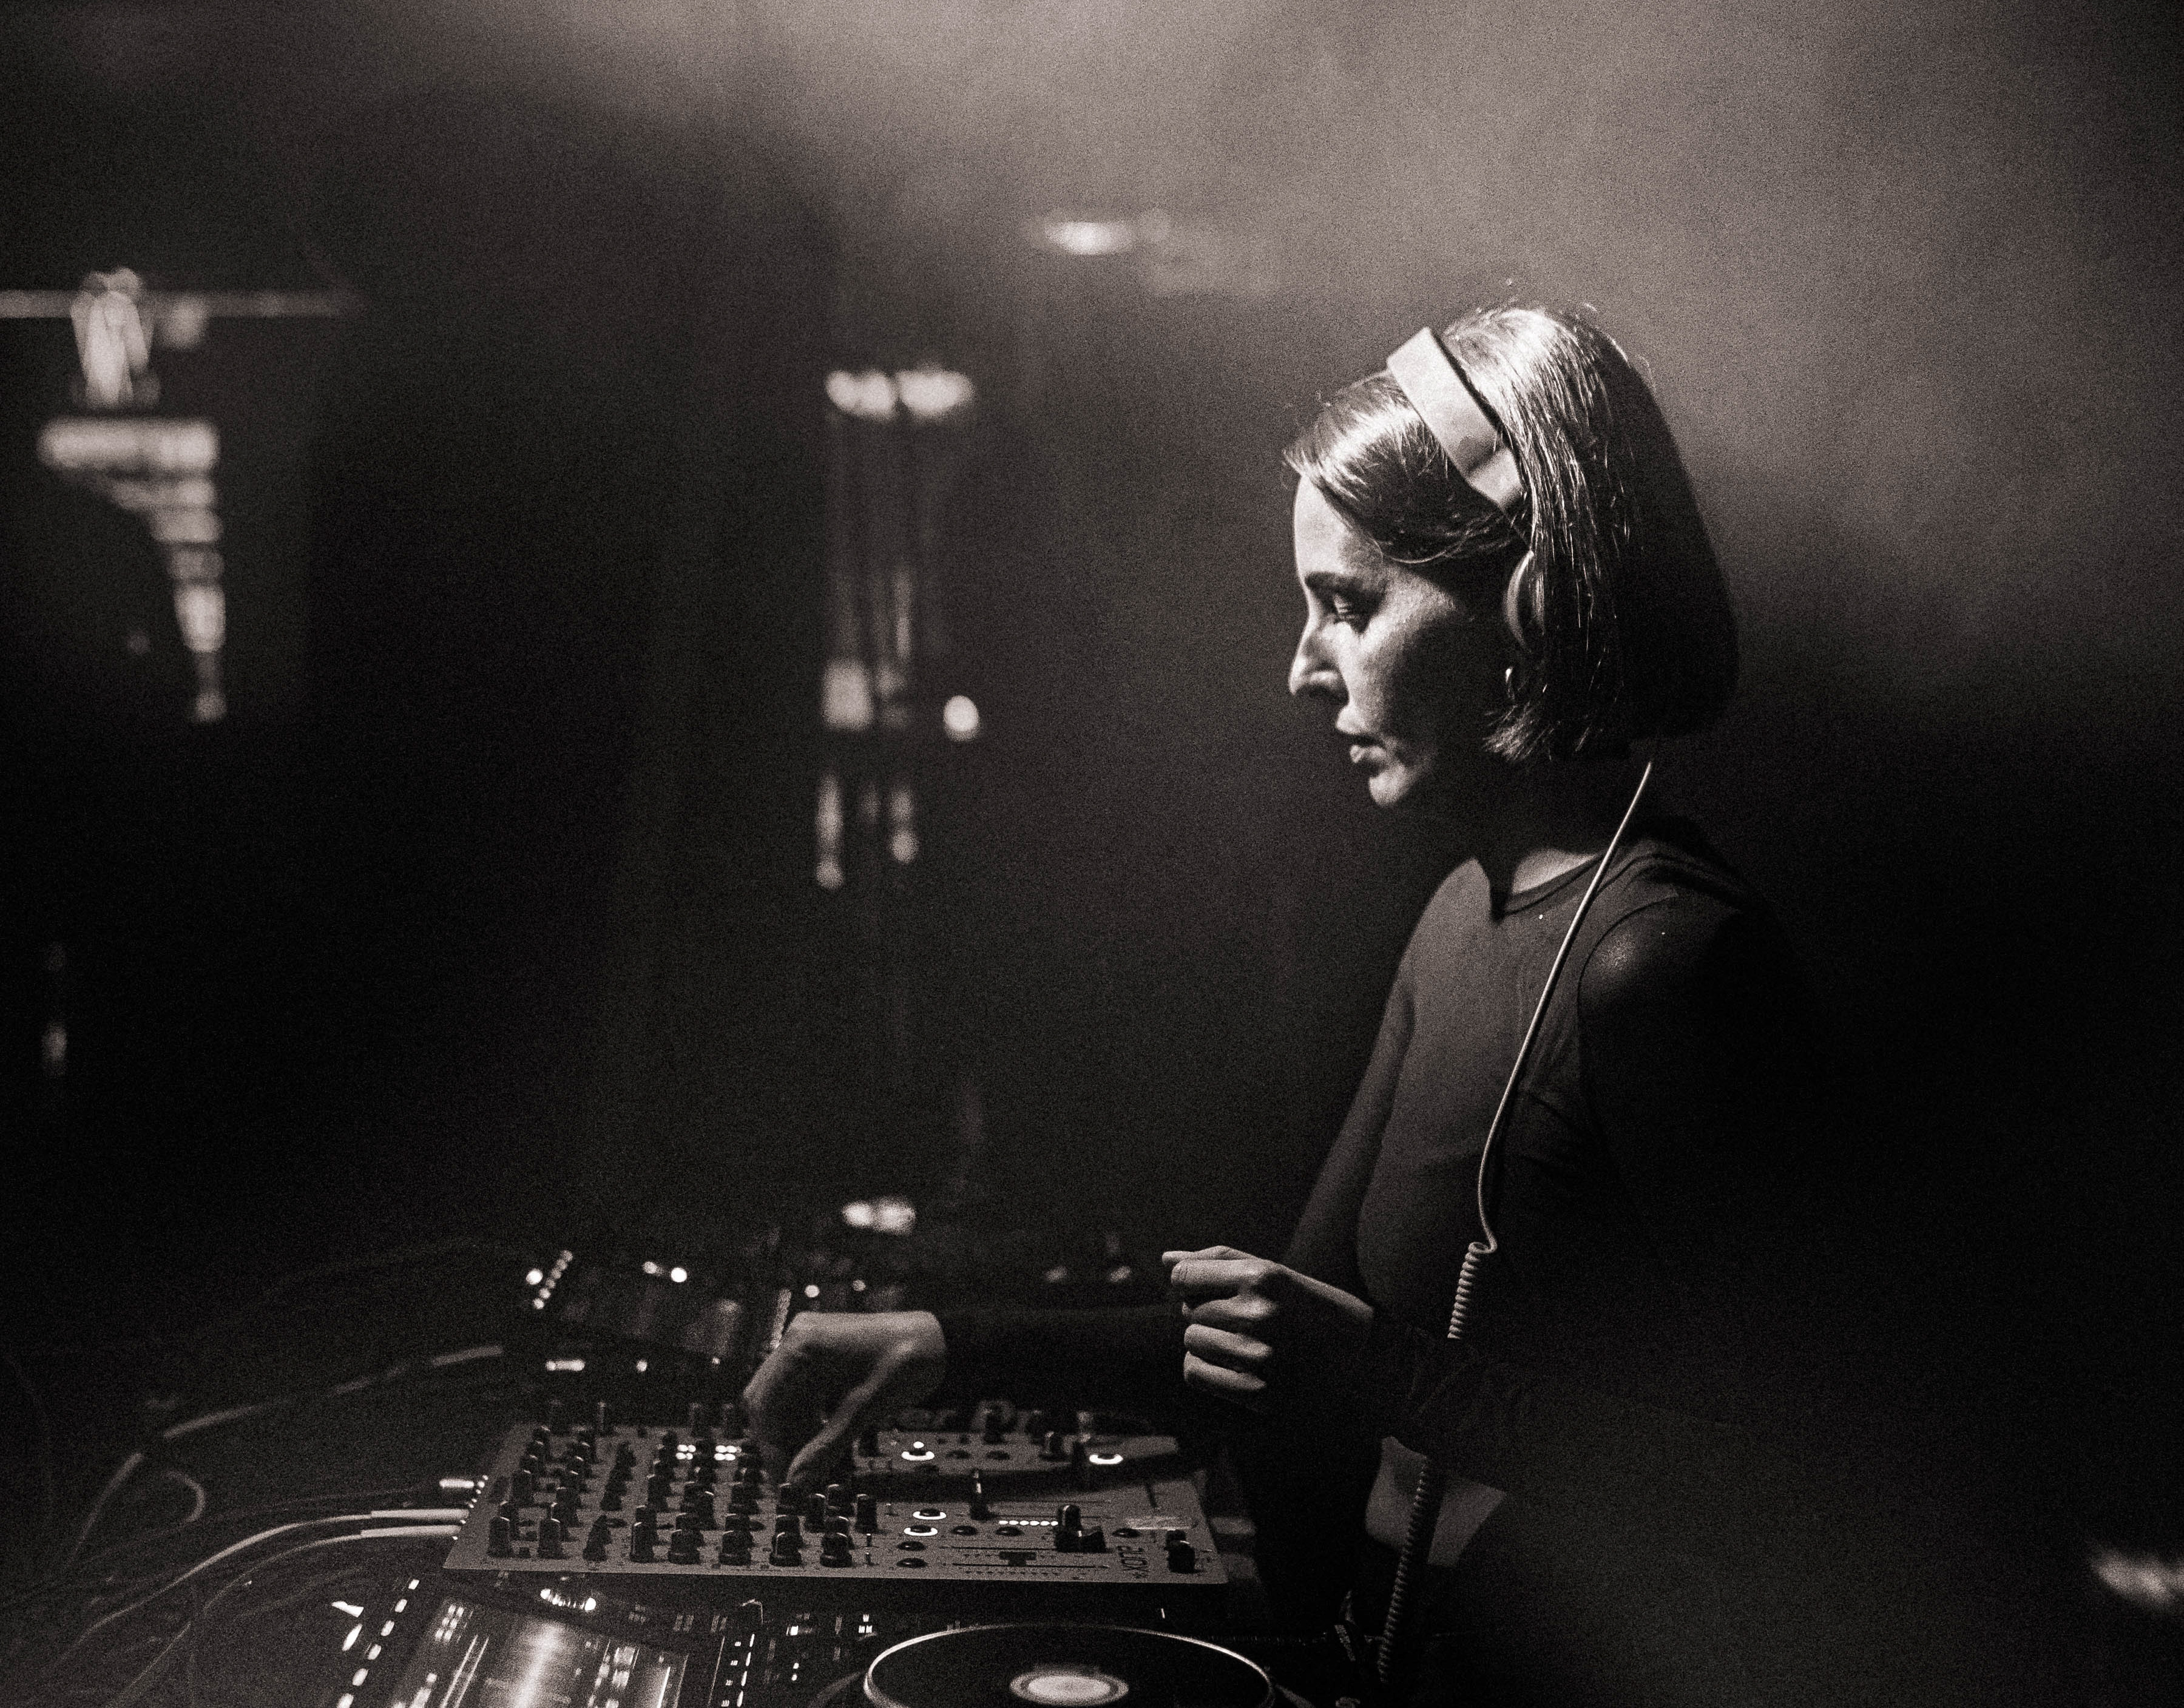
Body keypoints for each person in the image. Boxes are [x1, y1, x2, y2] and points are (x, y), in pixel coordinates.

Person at [741, 308, 1953, 1705]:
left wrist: (1382, 1374)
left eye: (1352, 605)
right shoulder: (1457, 917)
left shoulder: (1666, 966)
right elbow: (1273, 1334)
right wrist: (950, 1345)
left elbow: (1814, 1473)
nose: (1305, 665)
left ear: (1529, 607)